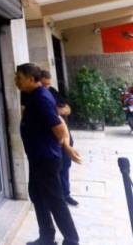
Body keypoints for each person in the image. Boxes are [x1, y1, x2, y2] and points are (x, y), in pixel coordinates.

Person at [16, 63, 82, 245]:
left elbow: (59, 126)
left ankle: (71, 240)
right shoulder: (34, 95)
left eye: (19, 77)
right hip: (38, 157)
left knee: (55, 200)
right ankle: (46, 237)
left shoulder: (41, 99)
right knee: (37, 196)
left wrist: (66, 146)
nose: (16, 81)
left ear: (31, 79)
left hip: (45, 158)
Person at [40, 70, 78, 207]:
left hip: (64, 133)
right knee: (53, 167)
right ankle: (55, 196)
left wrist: (55, 111)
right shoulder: (33, 95)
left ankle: (66, 194)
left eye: (48, 84)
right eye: (44, 84)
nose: (47, 87)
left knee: (65, 164)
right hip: (49, 138)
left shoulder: (52, 91)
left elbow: (67, 109)